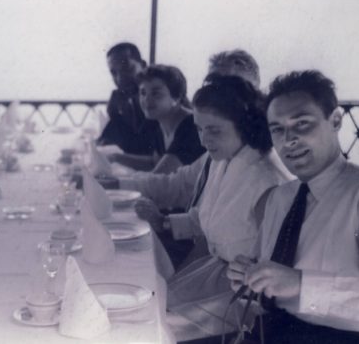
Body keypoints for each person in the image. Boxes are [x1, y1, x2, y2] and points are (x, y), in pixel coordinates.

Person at [118, 76, 291, 341]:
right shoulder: (223, 160)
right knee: (139, 302)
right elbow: (208, 217)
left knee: (151, 324)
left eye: (214, 130)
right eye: (199, 129)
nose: (203, 140)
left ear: (244, 126)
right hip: (212, 271)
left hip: (244, 294)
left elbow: (276, 266)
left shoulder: (267, 180)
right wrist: (165, 222)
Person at [226, 71, 359, 344]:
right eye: (277, 129)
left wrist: (300, 284)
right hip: (272, 331)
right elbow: (273, 280)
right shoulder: (279, 198)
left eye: (302, 124)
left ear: (335, 120)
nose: (289, 140)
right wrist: (250, 278)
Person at [107, 64, 205, 173]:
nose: (147, 100)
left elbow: (159, 176)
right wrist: (115, 157)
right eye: (143, 93)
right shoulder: (161, 123)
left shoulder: (190, 125)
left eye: (156, 93)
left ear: (177, 97)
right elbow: (155, 162)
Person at [97, 42, 164, 156]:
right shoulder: (124, 100)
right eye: (114, 73)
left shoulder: (164, 96)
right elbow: (107, 142)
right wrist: (114, 115)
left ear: (143, 65)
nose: (120, 78)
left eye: (126, 69)